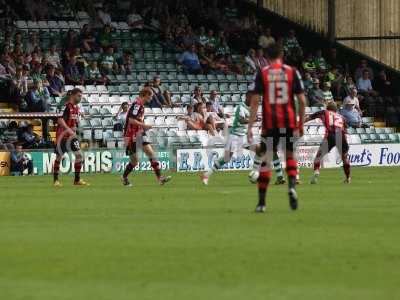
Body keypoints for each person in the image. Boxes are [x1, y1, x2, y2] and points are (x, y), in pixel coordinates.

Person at [247, 43, 306, 212]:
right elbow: (302, 101)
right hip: (288, 122)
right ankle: (292, 186)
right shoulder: (292, 72)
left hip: (270, 123)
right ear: (282, 55)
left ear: (266, 57)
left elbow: (255, 100)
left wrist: (250, 126)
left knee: (266, 160)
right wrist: (300, 123)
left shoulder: (262, 73)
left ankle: (261, 203)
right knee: (290, 156)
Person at [122, 88, 171, 187]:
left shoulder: (140, 105)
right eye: (151, 96)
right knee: (135, 162)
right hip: (131, 135)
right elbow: (131, 120)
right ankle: (124, 177)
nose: (152, 98)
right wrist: (144, 125)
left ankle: (160, 178)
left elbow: (136, 120)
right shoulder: (137, 105)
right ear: (145, 95)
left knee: (151, 154)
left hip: (139, 133)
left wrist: (142, 126)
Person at [201, 92, 251, 185]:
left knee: (259, 150)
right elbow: (241, 120)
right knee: (227, 158)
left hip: (242, 136)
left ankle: (258, 173)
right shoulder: (241, 107)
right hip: (235, 136)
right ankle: (206, 174)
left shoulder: (250, 108)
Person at [306, 101, 351, 184]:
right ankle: (348, 178)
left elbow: (309, 118)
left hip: (331, 135)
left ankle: (316, 171)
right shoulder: (341, 116)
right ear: (336, 109)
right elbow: (346, 129)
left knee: (318, 156)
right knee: (345, 158)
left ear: (327, 107)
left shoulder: (324, 112)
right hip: (341, 136)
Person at [53, 88, 89, 187]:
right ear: (72, 95)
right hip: (62, 136)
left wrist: (76, 129)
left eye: (81, 96)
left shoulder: (76, 108)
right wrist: (68, 130)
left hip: (72, 136)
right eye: (79, 96)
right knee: (59, 157)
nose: (80, 98)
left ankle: (77, 180)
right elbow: (60, 120)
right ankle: (56, 180)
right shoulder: (65, 106)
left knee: (79, 156)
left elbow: (74, 121)